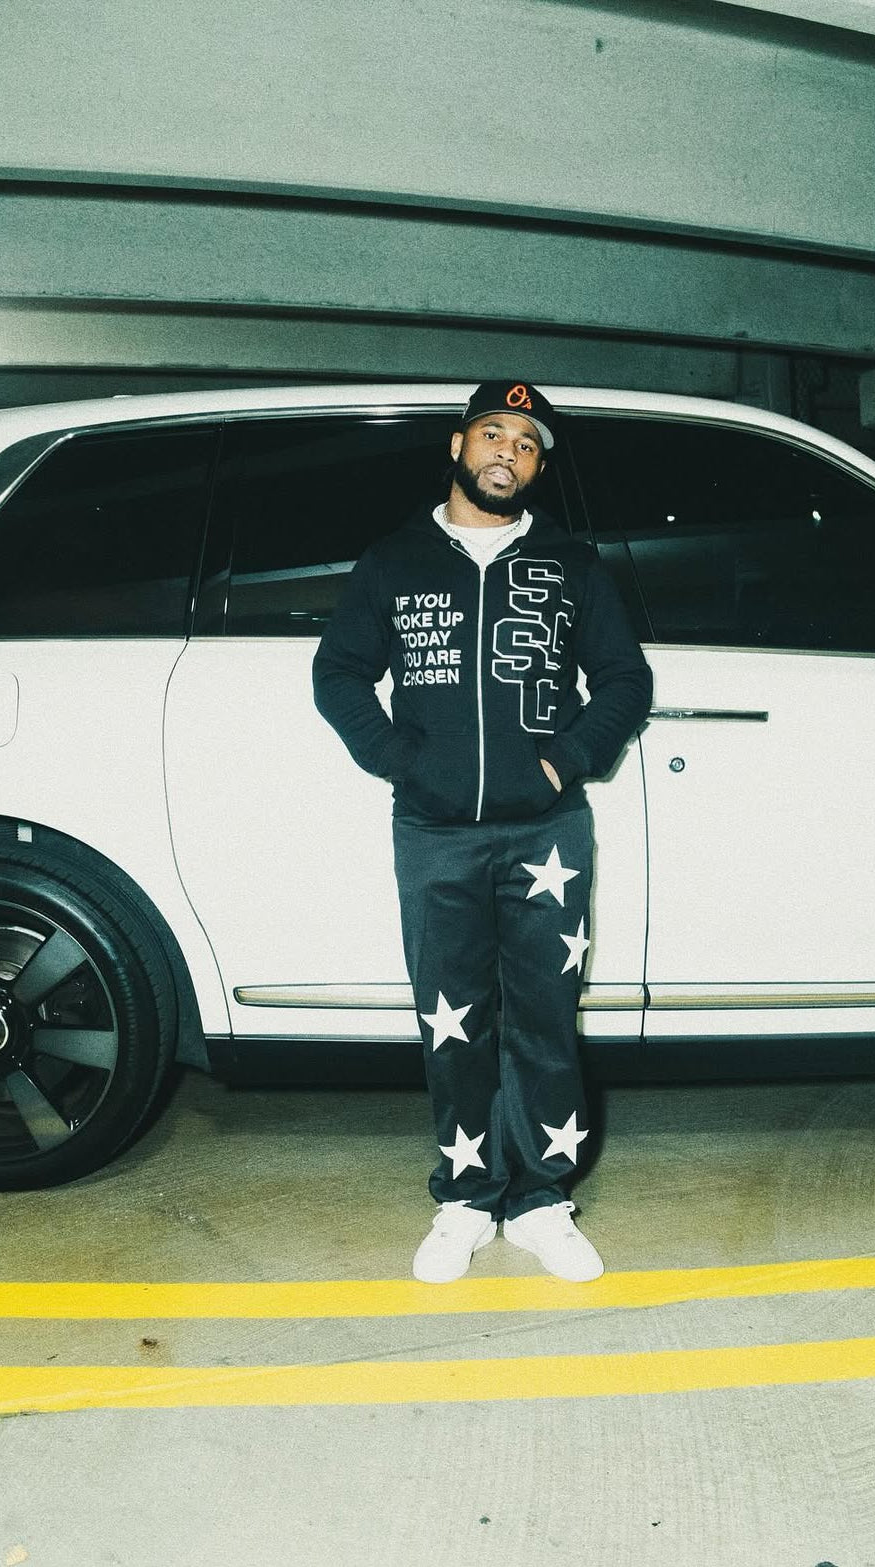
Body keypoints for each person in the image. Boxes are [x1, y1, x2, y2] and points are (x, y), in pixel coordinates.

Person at [313, 380, 652, 1283]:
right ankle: (465, 1198)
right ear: (458, 445)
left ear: (538, 467)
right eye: (494, 433)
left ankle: (541, 1200)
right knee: (452, 1020)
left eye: (528, 444)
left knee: (543, 1019)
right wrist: (402, 761)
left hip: (547, 831)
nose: (509, 452)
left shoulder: (572, 565)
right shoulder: (393, 561)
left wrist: (561, 762)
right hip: (435, 832)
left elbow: (625, 681)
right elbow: (338, 673)